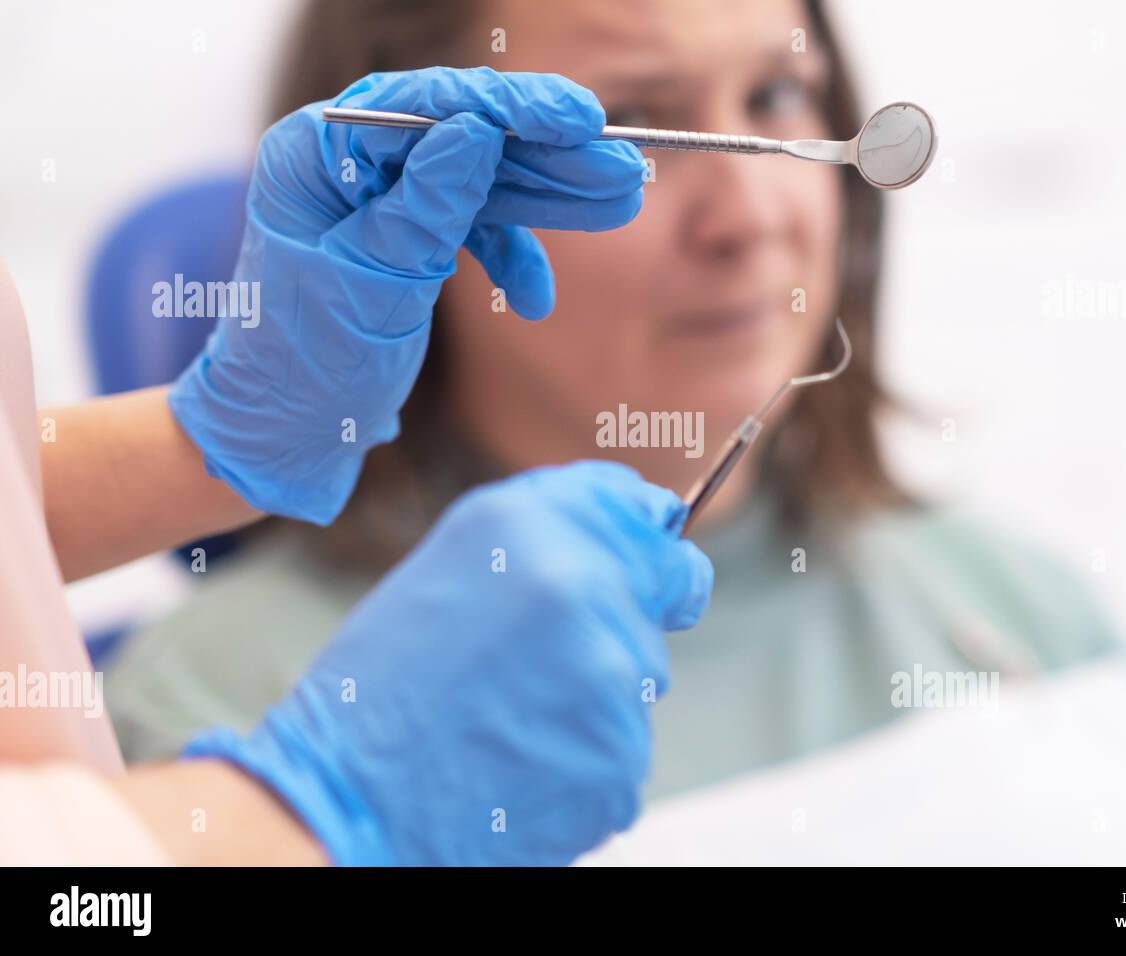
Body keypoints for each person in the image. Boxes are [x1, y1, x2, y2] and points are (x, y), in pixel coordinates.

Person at [110, 0, 1126, 801]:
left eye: (777, 97)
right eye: (634, 123)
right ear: (409, 200)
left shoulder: (1012, 606)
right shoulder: (215, 711)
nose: (747, 217)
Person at [0, 68, 712, 865]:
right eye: (639, 107)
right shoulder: (206, 670)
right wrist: (312, 812)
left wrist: (219, 437)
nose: (740, 223)